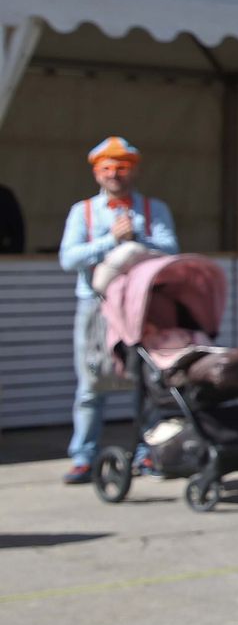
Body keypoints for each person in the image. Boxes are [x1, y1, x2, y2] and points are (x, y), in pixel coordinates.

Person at [57, 137, 179, 484]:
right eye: (107, 168)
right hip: (95, 306)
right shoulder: (82, 212)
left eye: (121, 168)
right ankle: (84, 456)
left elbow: (170, 248)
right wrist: (111, 240)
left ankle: (148, 452)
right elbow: (69, 258)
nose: (115, 175)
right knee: (91, 382)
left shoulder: (154, 210)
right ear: (97, 173)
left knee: (148, 380)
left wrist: (135, 237)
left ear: (133, 170)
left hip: (142, 305)